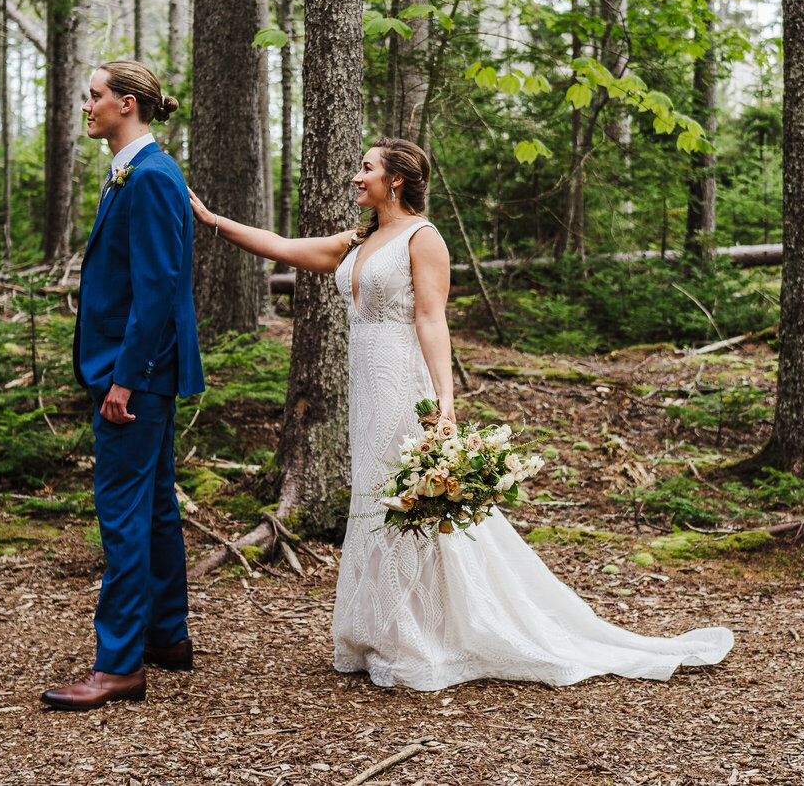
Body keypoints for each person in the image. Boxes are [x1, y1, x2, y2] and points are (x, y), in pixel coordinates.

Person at [190, 137, 733, 691]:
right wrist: (213, 220)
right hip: (366, 391)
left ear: (395, 179)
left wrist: (445, 402)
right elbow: (281, 245)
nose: (357, 177)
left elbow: (432, 321)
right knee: (375, 501)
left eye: (367, 168)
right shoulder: (359, 240)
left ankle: (421, 634)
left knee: (411, 504)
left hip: (404, 383)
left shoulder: (423, 239)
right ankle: (377, 629)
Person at [41, 61, 205, 711]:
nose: (88, 106)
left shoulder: (154, 175)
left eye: (95, 96)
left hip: (134, 377)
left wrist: (125, 379)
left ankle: (118, 666)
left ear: (128, 104)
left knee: (123, 515)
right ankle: (166, 635)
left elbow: (159, 288)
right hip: (135, 373)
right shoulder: (128, 171)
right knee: (157, 506)